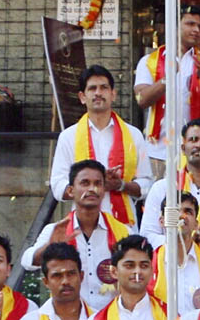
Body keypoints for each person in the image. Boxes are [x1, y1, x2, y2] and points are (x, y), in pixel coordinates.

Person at [48, 64, 151, 225]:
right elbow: (57, 186)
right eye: (92, 88)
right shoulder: (68, 137)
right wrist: (88, 187)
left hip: (124, 225)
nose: (98, 93)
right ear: (82, 97)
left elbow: (147, 185)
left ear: (113, 94)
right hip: (82, 225)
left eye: (103, 88)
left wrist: (120, 185)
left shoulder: (133, 135)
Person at [23, 159, 131, 312]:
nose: (92, 189)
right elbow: (27, 261)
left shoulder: (123, 232)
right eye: (85, 183)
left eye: (98, 183)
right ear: (71, 190)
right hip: (71, 318)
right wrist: (49, 247)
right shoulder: (57, 229)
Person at [134, 3, 200, 175]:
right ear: (174, 26)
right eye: (190, 24)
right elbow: (141, 100)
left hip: (195, 154)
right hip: (157, 152)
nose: (196, 30)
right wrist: (167, 78)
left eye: (199, 26)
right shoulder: (149, 61)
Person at [146, 191, 200, 315]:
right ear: (162, 221)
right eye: (175, 211)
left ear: (196, 224)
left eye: (188, 212)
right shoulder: (148, 264)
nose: (181, 216)